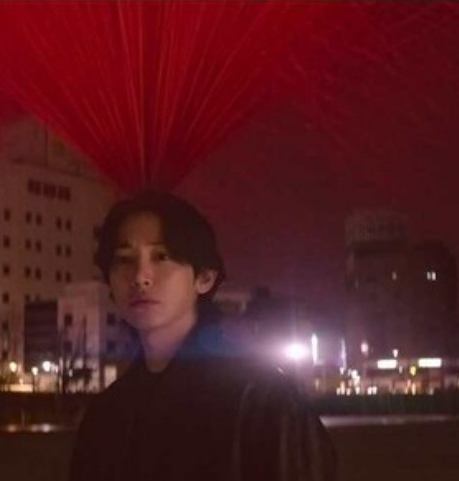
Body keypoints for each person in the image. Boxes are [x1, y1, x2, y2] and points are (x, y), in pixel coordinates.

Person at [69, 191, 337, 481]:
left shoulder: (264, 401)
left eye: (161, 256)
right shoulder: (107, 414)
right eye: (124, 260)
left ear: (204, 277)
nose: (140, 276)